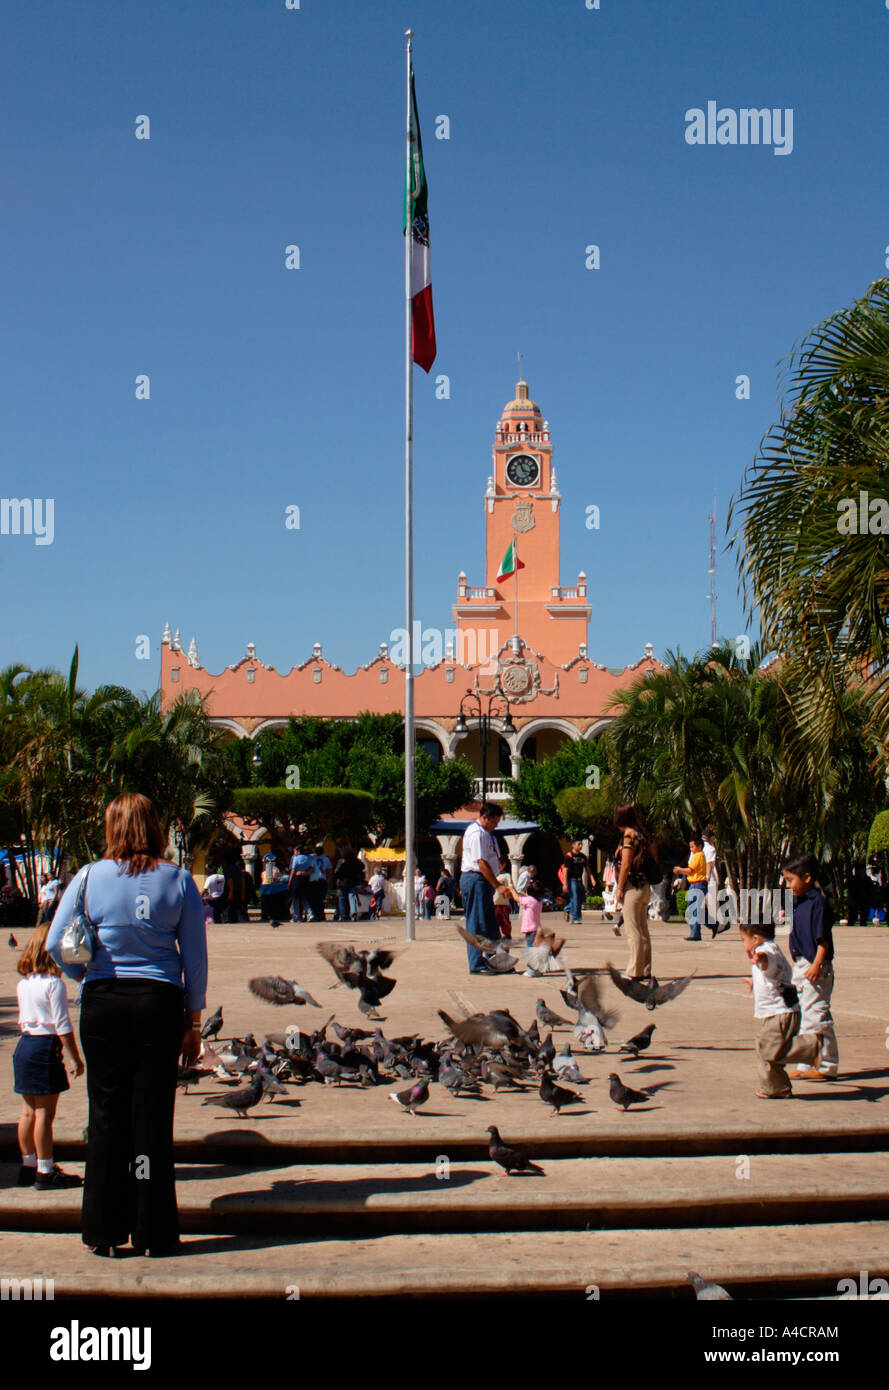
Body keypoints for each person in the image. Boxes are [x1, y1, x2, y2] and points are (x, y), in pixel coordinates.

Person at [47, 792, 207, 1257]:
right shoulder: (178, 881)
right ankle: (153, 1230)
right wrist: (193, 1022)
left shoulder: (88, 877)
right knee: (153, 1119)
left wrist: (85, 974)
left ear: (112, 828)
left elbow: (57, 942)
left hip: (104, 1001)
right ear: (154, 826)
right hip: (158, 1003)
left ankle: (104, 1230)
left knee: (106, 1116)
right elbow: (193, 960)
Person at [14, 922, 84, 1190]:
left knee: (28, 1111)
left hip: (24, 1044)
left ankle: (28, 1164)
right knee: (45, 1112)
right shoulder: (54, 984)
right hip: (45, 1046)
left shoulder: (24, 983)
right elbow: (62, 1024)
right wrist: (74, 1057)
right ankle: (45, 1168)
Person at [739, 921, 824, 1098]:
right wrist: (755, 983)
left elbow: (766, 961)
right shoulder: (773, 949)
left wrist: (759, 958)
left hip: (781, 1013)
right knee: (765, 1047)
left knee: (768, 1049)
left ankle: (810, 1047)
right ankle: (776, 1087)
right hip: (780, 1012)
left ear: (755, 939)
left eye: (743, 939)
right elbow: (772, 976)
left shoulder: (766, 951)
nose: (743, 944)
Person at [782, 852, 838, 1081]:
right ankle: (808, 1063)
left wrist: (816, 964)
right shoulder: (798, 902)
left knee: (817, 1017)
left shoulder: (818, 903)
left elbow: (822, 940)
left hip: (816, 966)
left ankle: (827, 1065)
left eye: (790, 880)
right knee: (807, 1015)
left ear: (806, 878)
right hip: (801, 965)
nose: (787, 885)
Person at [459, 802, 504, 974]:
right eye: (494, 822)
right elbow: (481, 863)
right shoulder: (477, 834)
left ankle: (496, 961)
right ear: (485, 817)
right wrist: (497, 885)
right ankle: (476, 964)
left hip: (483, 881)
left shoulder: (487, 833)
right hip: (476, 879)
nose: (496, 825)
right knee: (476, 923)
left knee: (490, 923)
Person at [613, 804, 653, 981]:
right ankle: (645, 968)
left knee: (633, 930)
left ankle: (634, 970)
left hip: (633, 886)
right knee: (643, 929)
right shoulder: (641, 835)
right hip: (645, 886)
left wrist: (620, 888)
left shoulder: (628, 837)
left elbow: (626, 864)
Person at [673, 835, 708, 942]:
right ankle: (699, 931)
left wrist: (679, 870)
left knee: (693, 910)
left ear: (699, 846)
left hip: (697, 884)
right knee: (693, 910)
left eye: (692, 847)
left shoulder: (697, 856)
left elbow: (690, 870)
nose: (691, 849)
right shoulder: (700, 855)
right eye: (690, 847)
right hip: (697, 884)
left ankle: (695, 933)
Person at [563, 840, 595, 925]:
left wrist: (592, 879)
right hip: (571, 880)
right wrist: (565, 883)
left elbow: (587, 869)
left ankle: (567, 908)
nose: (580, 846)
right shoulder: (569, 856)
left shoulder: (583, 856)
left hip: (579, 880)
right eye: (579, 844)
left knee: (582, 898)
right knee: (575, 898)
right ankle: (575, 918)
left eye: (581, 844)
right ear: (573, 845)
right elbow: (565, 870)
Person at [288, 845, 314, 922]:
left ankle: (297, 916)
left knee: (295, 898)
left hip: (297, 879)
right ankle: (310, 914)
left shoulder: (296, 858)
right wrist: (305, 873)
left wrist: (290, 880)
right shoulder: (309, 857)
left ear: (298, 851)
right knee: (304, 898)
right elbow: (312, 868)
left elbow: (293, 869)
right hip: (305, 879)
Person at [309, 844, 332, 922]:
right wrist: (327, 878)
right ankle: (321, 914)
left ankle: (315, 914)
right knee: (321, 898)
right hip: (322, 879)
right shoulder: (326, 859)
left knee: (314, 898)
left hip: (313, 880)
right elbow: (329, 870)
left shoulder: (312, 858)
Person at [493, 856, 514, 939]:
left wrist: (509, 892)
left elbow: (510, 885)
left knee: (505, 922)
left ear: (504, 865)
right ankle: (496, 937)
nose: (498, 866)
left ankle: (507, 935)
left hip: (503, 902)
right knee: (494, 921)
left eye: (500, 864)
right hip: (493, 902)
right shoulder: (492, 874)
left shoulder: (506, 875)